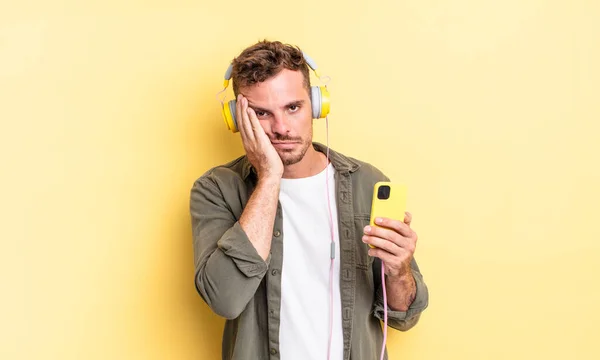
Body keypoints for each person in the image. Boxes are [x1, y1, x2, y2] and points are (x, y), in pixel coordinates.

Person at [189, 40, 429, 360]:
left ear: (316, 104)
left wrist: (398, 272)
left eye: (293, 107)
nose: (281, 128)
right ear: (237, 119)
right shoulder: (216, 189)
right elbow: (225, 300)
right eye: (261, 113)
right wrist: (270, 176)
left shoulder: (368, 183)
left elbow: (403, 316)